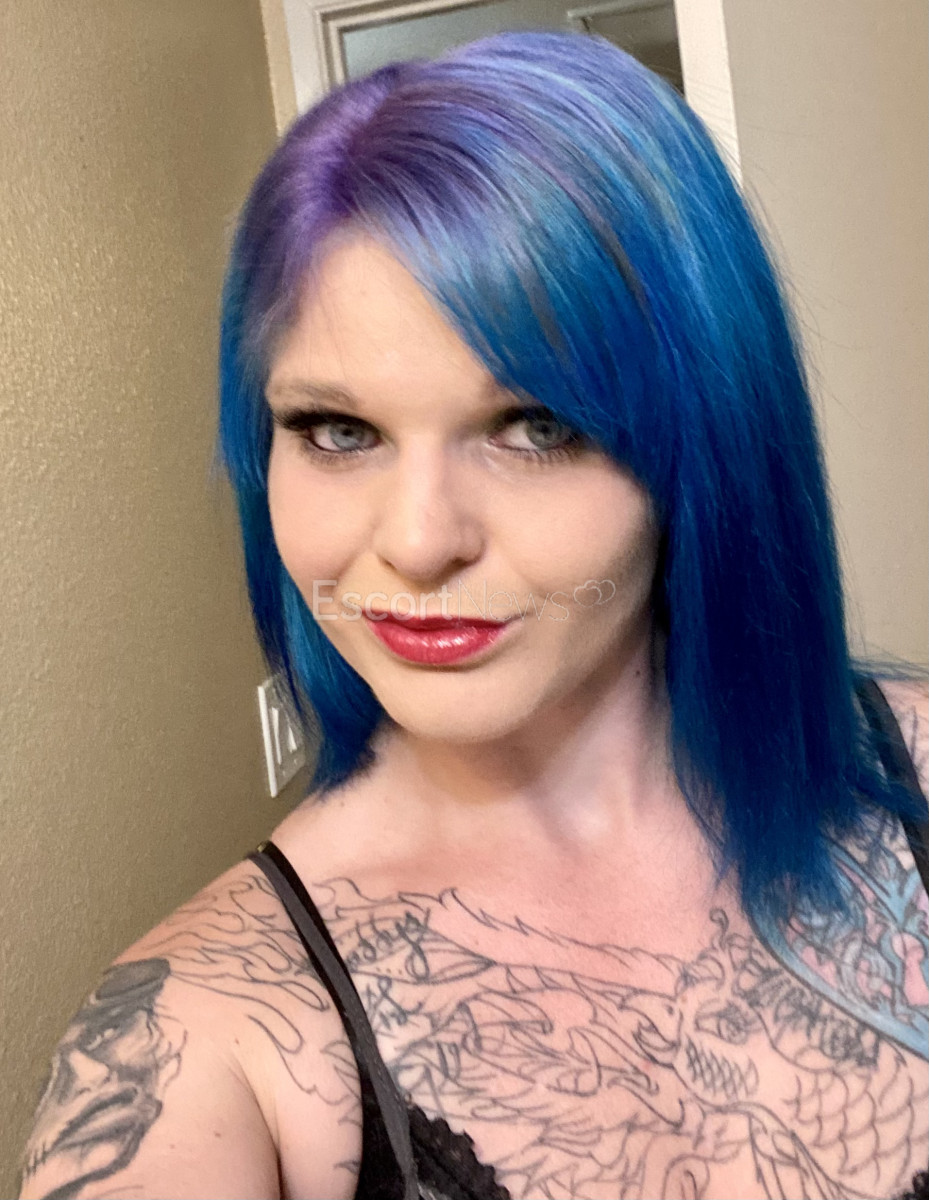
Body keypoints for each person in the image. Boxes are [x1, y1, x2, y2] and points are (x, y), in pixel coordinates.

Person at [19, 29, 929, 1200]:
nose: (416, 542)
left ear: (702, 448)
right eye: (338, 431)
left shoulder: (907, 772)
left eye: (533, 426)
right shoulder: (205, 1042)